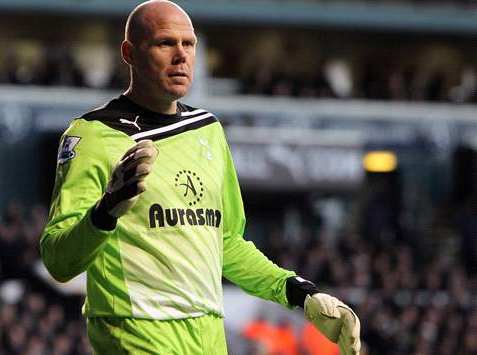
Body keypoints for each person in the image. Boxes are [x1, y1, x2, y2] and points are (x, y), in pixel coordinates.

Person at [40, 1, 361, 354]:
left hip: (209, 338)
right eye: (165, 43)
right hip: (136, 336)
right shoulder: (93, 136)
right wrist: (106, 210)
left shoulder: (207, 130)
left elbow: (226, 243)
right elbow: (58, 260)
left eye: (188, 44)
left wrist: (301, 293)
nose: (181, 56)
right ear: (129, 53)